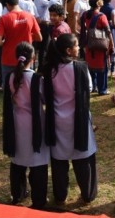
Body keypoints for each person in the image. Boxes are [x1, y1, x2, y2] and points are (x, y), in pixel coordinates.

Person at [40, 34, 98, 204]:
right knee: (83, 159)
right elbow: (88, 88)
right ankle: (87, 193)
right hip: (78, 120)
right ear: (68, 50)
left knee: (59, 161)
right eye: (77, 45)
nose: (79, 48)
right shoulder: (80, 68)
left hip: (57, 121)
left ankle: (60, 195)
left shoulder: (50, 69)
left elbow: (44, 96)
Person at [3, 42, 49, 209]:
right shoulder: (36, 79)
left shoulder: (10, 77)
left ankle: (18, 193)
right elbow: (45, 98)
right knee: (37, 160)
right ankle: (39, 199)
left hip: (17, 122)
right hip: (35, 123)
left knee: (18, 160)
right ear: (33, 58)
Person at [0, 0, 42, 90]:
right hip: (27, 58)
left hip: (9, 58)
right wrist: (28, 36)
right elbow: (39, 38)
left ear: (7, 4)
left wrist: (7, 41)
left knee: (9, 90)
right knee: (28, 88)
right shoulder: (30, 16)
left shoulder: (4, 19)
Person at [80, 0, 115, 95]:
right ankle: (102, 89)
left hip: (89, 44)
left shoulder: (85, 14)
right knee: (102, 68)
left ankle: (94, 86)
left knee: (91, 66)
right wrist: (111, 44)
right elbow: (108, 31)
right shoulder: (101, 16)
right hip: (100, 44)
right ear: (98, 4)